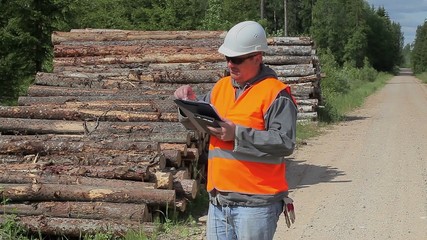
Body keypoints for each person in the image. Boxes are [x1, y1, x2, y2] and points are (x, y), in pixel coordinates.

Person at [174, 20, 298, 240]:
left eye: (237, 59)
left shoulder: (276, 94)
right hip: (219, 201)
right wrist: (187, 106)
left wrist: (237, 134)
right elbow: (201, 123)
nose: (231, 64)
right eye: (228, 58)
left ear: (257, 58)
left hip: (256, 204)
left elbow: (284, 142)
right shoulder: (221, 87)